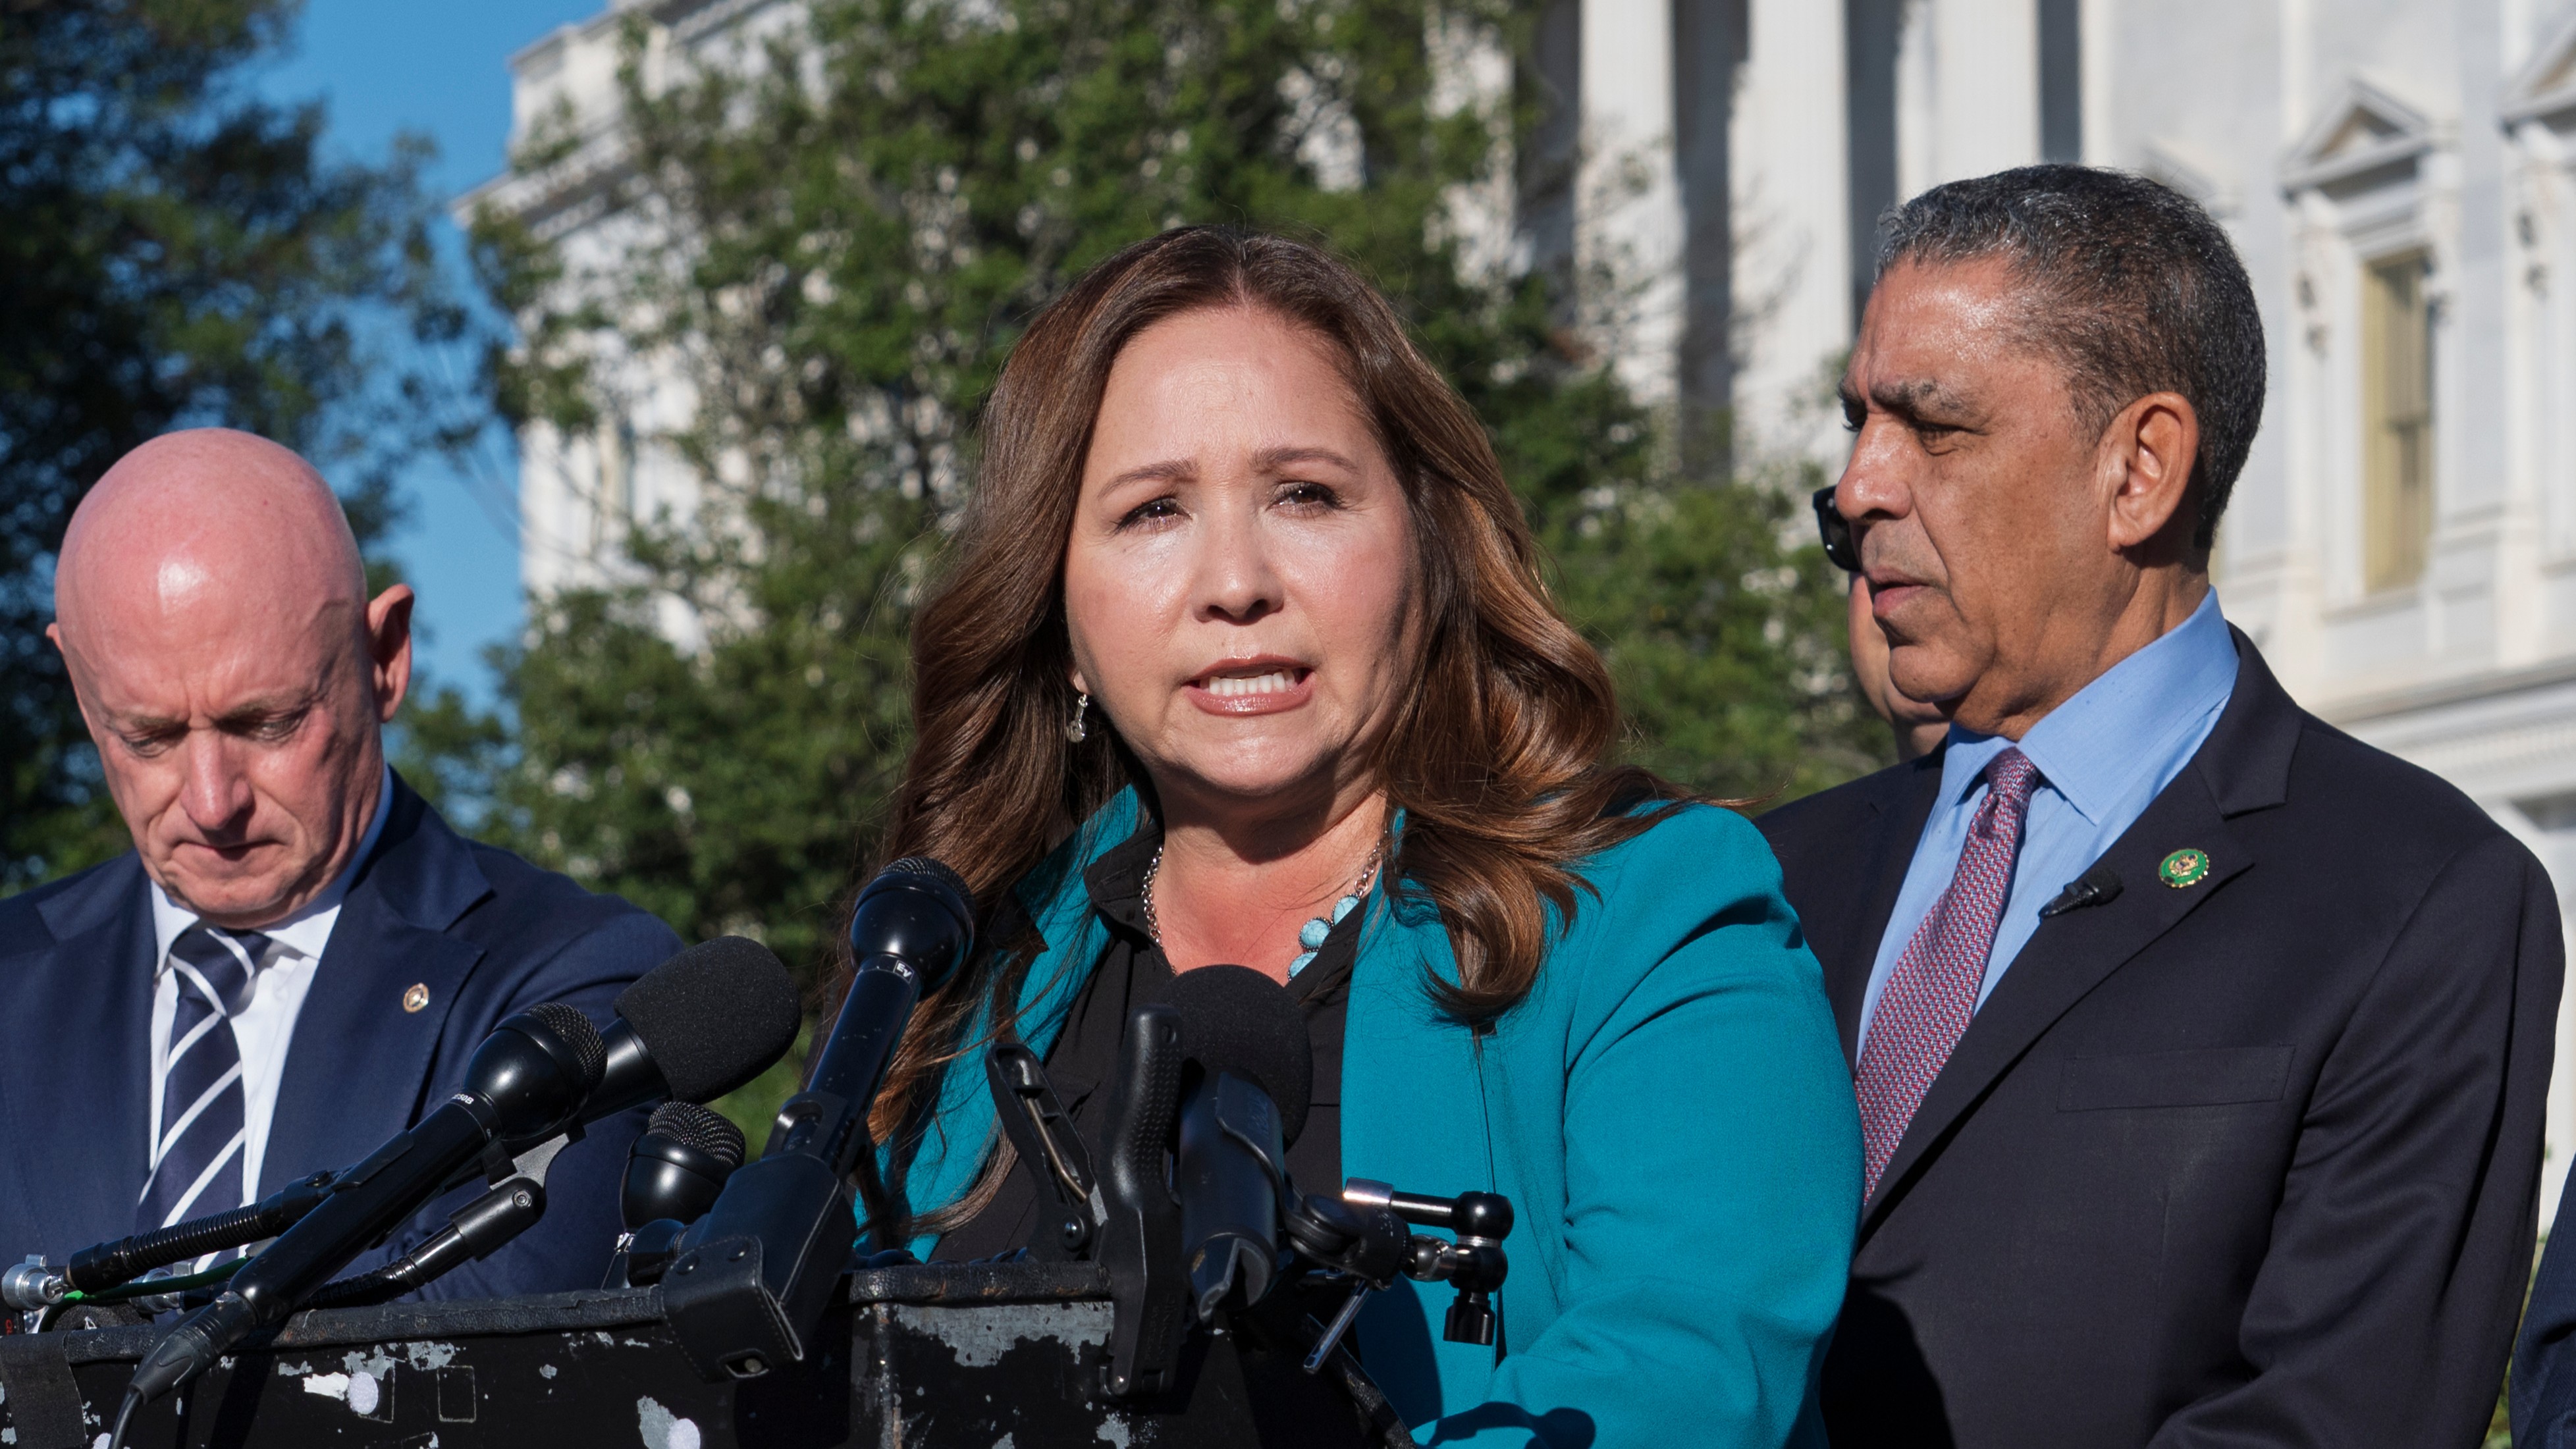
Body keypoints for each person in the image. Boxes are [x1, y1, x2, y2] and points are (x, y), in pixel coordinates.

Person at [851, 227, 1858, 1447]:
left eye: (1305, 495)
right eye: (1153, 509)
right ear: (1060, 618)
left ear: (1429, 552)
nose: (1235, 579)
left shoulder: (1655, 911)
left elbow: (1687, 1377)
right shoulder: (965, 964)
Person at [1758, 166, 2560, 1446]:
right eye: (1856, 421)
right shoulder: (1759, 882)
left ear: (2140, 470)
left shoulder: (2416, 899)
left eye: (1933, 427)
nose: (1857, 488)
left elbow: (2341, 1415)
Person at [0, 429, 682, 1300]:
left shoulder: (572, 988)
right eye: (150, 737)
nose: (213, 801)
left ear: (386, 656)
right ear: (80, 691)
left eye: (267, 723)